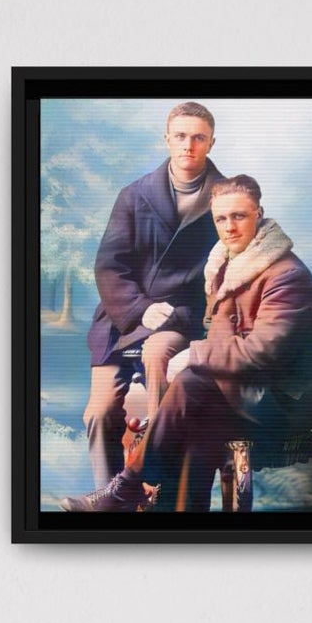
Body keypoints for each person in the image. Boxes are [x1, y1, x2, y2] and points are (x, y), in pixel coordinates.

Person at [64, 174, 312, 512]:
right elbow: (224, 342)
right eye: (221, 218)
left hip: (280, 402)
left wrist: (194, 354)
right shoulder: (225, 264)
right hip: (241, 392)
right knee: (192, 427)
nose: (229, 227)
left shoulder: (285, 274)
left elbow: (261, 353)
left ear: (259, 214)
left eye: (239, 216)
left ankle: (127, 488)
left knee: (191, 383)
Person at [78, 101, 225, 488]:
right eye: (180, 136)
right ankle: (109, 499)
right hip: (121, 318)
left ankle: (159, 479)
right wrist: (140, 309)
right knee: (98, 412)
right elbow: (109, 265)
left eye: (198, 137)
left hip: (181, 317)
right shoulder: (135, 195)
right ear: (166, 139)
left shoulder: (226, 200)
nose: (188, 146)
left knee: (157, 352)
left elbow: (263, 257)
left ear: (211, 142)